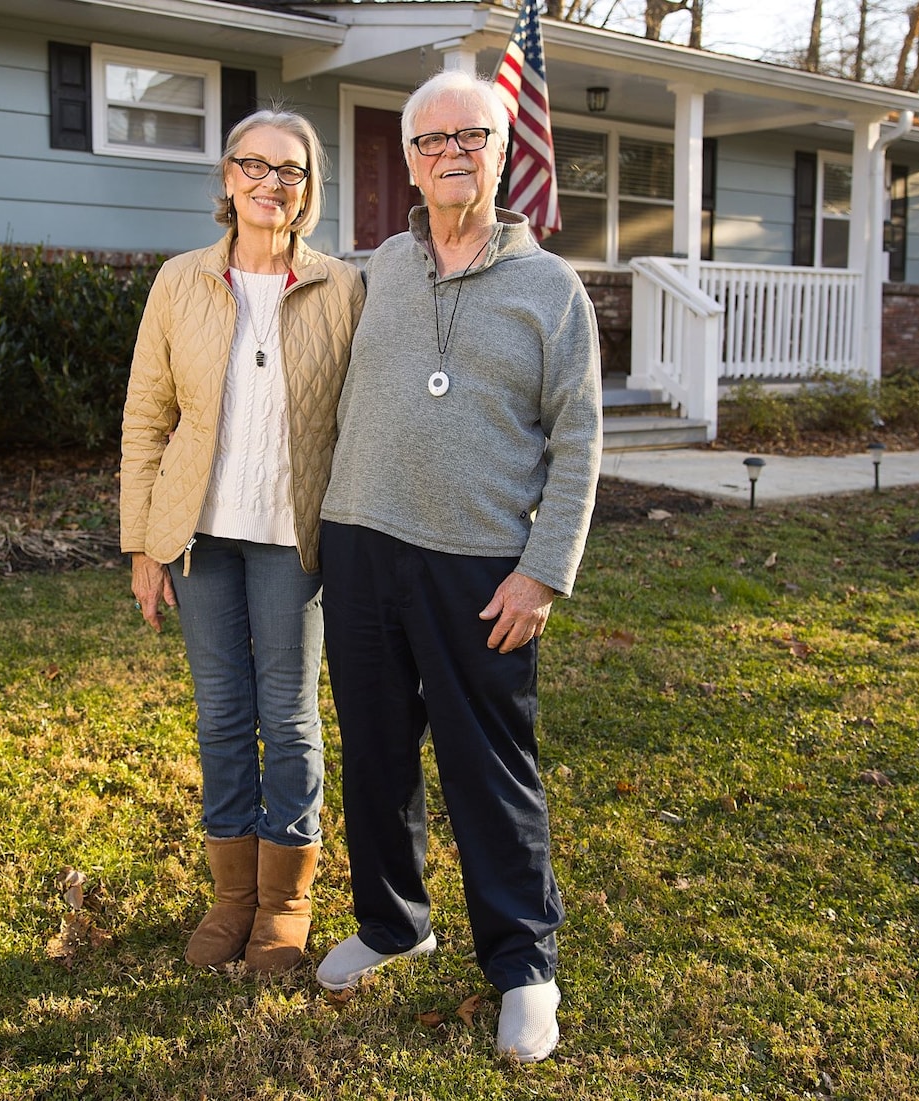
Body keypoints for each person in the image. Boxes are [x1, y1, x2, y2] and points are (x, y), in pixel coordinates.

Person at [313, 70, 601, 1062]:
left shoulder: (550, 291)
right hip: (358, 545)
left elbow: (579, 445)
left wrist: (542, 571)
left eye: (468, 138)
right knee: (375, 750)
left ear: (500, 148)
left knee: (489, 768)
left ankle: (523, 964)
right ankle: (394, 922)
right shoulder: (376, 269)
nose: (449, 155)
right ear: (407, 159)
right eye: (430, 142)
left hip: (479, 567)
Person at [119, 110, 364, 973]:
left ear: (308, 189)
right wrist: (146, 543)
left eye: (289, 170)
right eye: (252, 165)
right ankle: (231, 899)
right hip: (203, 540)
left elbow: (360, 420)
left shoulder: (342, 288)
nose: (270, 182)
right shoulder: (181, 281)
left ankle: (285, 903)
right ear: (227, 180)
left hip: (294, 543)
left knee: (289, 719)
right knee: (223, 716)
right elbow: (148, 416)